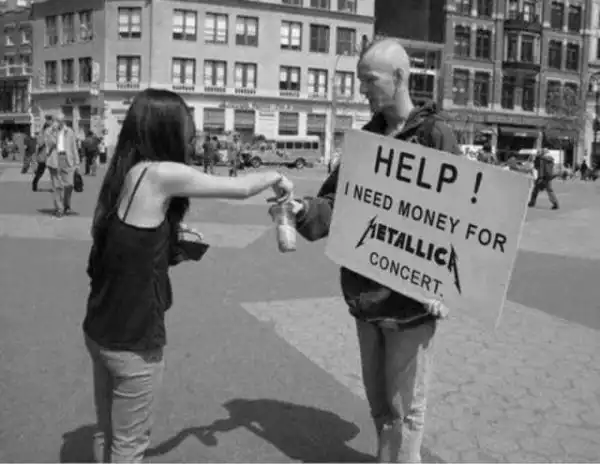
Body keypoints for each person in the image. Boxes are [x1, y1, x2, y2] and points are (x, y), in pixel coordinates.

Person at [83, 88, 293, 463]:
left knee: (107, 432)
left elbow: (124, 249)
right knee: (129, 446)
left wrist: (168, 241)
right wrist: (277, 176)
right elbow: (240, 188)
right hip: (133, 340)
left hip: (100, 330)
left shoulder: (127, 174)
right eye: (187, 130)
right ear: (166, 130)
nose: (191, 138)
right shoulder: (159, 173)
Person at [284, 38, 459, 463]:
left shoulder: (436, 136)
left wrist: (445, 288)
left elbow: (459, 221)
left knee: (406, 412)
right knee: (381, 405)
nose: (361, 89)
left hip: (411, 304)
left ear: (399, 77)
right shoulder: (365, 140)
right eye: (360, 80)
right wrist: (302, 210)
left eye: (369, 80)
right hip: (366, 297)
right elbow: (335, 202)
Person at [43, 112, 81, 216]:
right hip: (54, 159)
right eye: (57, 120)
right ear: (54, 121)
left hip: (67, 159)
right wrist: (53, 132)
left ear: (64, 121)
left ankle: (66, 205)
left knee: (70, 184)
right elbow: (49, 144)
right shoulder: (48, 131)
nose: (59, 123)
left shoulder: (69, 131)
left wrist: (77, 162)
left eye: (61, 121)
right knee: (57, 186)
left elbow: (74, 147)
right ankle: (59, 209)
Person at [32, 116, 54, 191]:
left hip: (51, 155)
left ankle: (55, 187)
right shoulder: (42, 133)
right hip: (43, 156)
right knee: (40, 171)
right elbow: (39, 143)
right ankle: (34, 184)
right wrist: (45, 140)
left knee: (53, 172)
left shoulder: (51, 133)